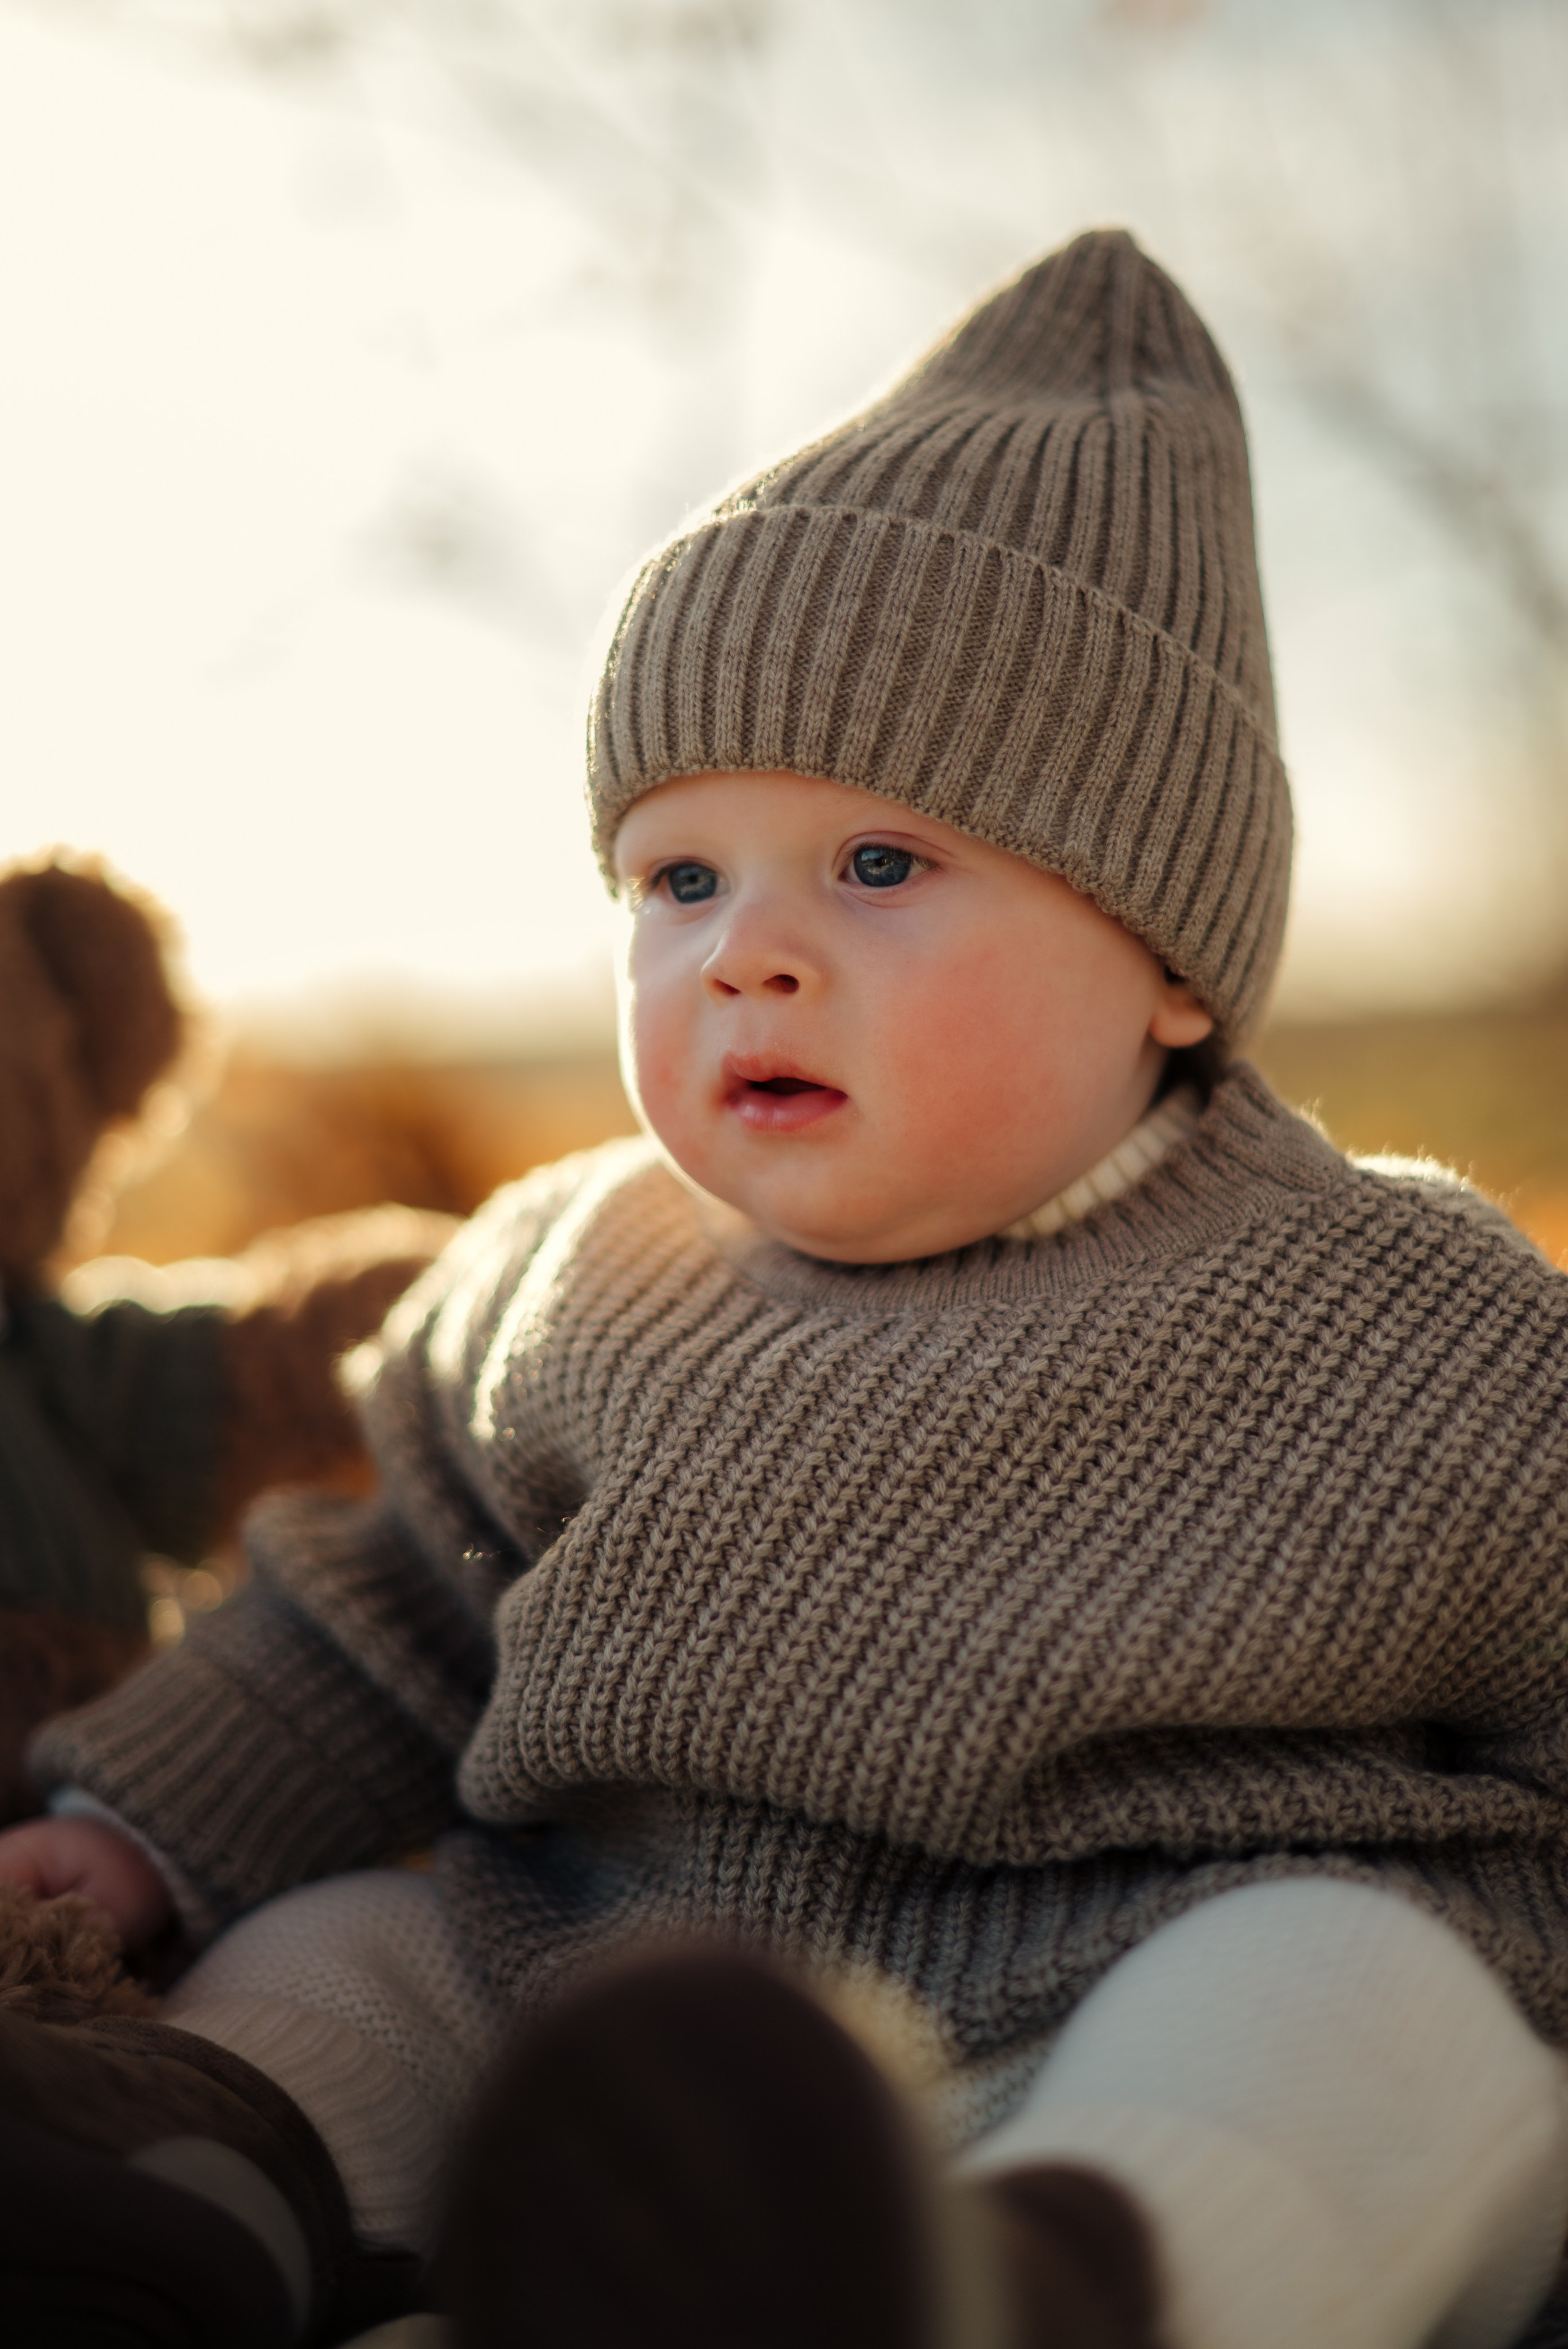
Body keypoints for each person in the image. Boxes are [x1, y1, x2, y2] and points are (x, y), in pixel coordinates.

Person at [4, 227, 1568, 2349]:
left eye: (883, 864)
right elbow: (373, 1627)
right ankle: (189, 2192)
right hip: (594, 1996)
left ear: (1175, 959)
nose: (747, 947)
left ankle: (1051, 2281)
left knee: (1372, 2003)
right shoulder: (573, 1277)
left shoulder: (1410, 1321)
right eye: (679, 877)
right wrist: (135, 1830)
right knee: (348, 1958)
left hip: (1125, 1993)